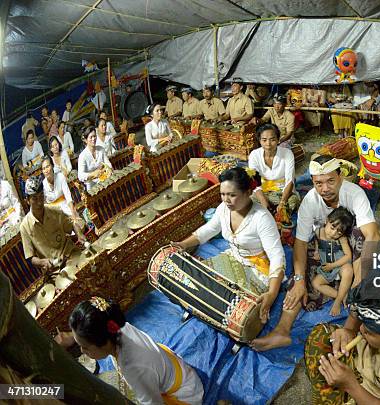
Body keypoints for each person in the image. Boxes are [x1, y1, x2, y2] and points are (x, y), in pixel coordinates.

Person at [251, 155, 379, 351]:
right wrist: (301, 279)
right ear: (312, 182)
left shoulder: (355, 194)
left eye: (330, 181)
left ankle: (349, 327)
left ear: (340, 177)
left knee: (360, 241)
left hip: (351, 247)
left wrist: (360, 276)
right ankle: (282, 331)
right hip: (325, 247)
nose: (325, 188)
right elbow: (301, 243)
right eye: (319, 183)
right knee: (298, 281)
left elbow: (372, 235)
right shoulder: (310, 202)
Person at [176, 167, 285, 323]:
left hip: (258, 267)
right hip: (234, 257)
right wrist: (183, 244)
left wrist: (272, 294)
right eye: (223, 194)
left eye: (232, 195)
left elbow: (276, 256)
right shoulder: (223, 209)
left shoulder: (262, 218)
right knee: (198, 279)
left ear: (248, 192)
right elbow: (208, 230)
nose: (226, 200)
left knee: (238, 308)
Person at [55, 297, 204, 404]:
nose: (82, 350)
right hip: (171, 369)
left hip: (185, 396)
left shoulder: (133, 369)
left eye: (85, 347)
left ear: (104, 342)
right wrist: (74, 336)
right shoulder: (118, 327)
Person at [19, 177, 85, 271]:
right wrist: (42, 262)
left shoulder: (55, 210)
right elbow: (30, 257)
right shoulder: (24, 227)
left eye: (41, 196)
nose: (39, 202)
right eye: (34, 198)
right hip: (53, 268)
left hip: (70, 255)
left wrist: (79, 234)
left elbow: (72, 224)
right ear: (27, 201)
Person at [248, 123, 300, 220]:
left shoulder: (287, 153)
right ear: (259, 141)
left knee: (293, 201)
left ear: (278, 139)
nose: (268, 143)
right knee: (248, 201)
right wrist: (264, 201)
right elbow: (254, 181)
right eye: (264, 140)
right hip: (262, 191)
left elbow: (290, 181)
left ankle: (275, 213)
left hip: (282, 191)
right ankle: (269, 213)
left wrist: (282, 203)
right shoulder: (254, 155)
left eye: (272, 139)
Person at [311, 207, 354, 316]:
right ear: (327, 220)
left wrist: (333, 265)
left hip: (339, 264)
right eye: (332, 227)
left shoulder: (342, 239)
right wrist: (316, 251)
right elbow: (317, 241)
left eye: (339, 232)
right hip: (326, 266)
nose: (334, 233)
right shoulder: (318, 231)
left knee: (348, 271)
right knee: (315, 283)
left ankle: (337, 302)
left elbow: (348, 256)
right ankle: (341, 295)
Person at [78, 126, 113, 191]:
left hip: (104, 178)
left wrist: (109, 169)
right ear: (85, 140)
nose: (93, 139)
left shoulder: (101, 149)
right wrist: (93, 174)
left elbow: (108, 163)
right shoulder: (82, 156)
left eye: (94, 136)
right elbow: (80, 176)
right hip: (91, 184)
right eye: (91, 137)